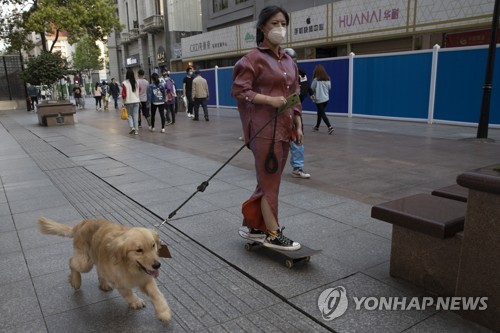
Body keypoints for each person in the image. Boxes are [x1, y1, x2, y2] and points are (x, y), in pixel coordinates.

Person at [231, 5, 302, 251]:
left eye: (283, 23)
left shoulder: (289, 61)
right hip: (262, 130)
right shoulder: (252, 59)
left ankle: (252, 225)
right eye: (274, 23)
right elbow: (240, 91)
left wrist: (298, 122)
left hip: (285, 128)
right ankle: (273, 233)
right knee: (270, 181)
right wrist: (269, 100)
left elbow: (295, 93)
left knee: (267, 181)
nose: (280, 28)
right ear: (262, 27)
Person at [284, 48, 312, 179]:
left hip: (294, 110)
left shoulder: (300, 74)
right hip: (279, 112)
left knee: (297, 139)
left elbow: (303, 91)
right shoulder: (279, 75)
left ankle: (297, 167)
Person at [311, 64, 334, 135]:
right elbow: (329, 88)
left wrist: (312, 94)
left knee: (322, 113)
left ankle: (330, 127)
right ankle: (317, 127)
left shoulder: (316, 80)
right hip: (326, 99)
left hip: (319, 100)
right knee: (320, 113)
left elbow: (311, 88)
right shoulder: (328, 79)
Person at [122, 68, 141, 135]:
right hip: (136, 101)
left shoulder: (125, 83)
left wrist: (123, 102)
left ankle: (132, 127)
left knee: (129, 115)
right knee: (135, 115)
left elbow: (124, 94)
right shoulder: (136, 82)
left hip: (128, 102)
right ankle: (136, 131)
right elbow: (140, 90)